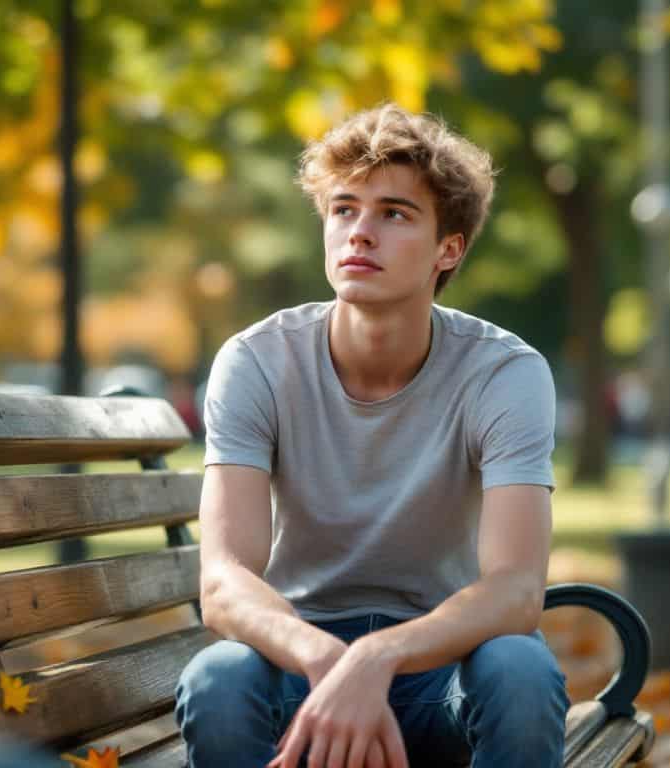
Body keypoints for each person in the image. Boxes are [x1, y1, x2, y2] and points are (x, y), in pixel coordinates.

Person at [174, 103, 568, 768]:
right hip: (303, 671)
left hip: (441, 669)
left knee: (520, 670)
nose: (359, 232)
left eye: (393, 213)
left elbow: (516, 589)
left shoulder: (505, 372)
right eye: (344, 208)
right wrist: (325, 657)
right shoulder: (257, 361)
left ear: (449, 248)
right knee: (219, 678)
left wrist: (377, 656)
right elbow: (224, 581)